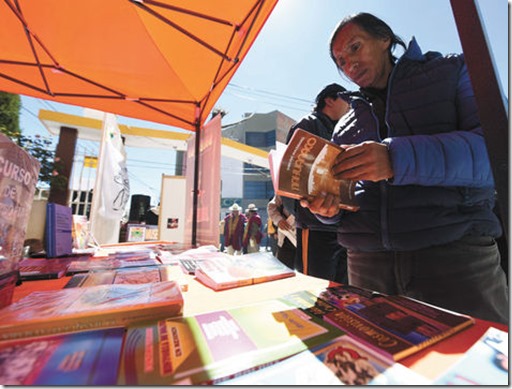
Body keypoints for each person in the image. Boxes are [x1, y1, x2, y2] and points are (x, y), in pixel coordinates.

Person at [302, 12, 508, 324]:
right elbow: (350, 195)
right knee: (375, 366)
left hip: (454, 257)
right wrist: (329, 210)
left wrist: (396, 159)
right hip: (365, 266)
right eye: (340, 61)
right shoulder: (346, 121)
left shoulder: (451, 71)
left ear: (385, 38)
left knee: (475, 366)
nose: (349, 65)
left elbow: (496, 154)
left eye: (354, 48)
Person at [285, 83, 350, 284]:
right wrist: (304, 213)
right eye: (346, 100)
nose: (350, 106)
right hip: (314, 224)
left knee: (340, 290)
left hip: (340, 225)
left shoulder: (341, 129)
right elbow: (292, 177)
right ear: (329, 100)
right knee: (313, 287)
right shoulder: (309, 124)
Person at [267, 194, 296, 269]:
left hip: (309, 237)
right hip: (287, 237)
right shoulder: (284, 188)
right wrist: (279, 220)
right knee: (284, 270)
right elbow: (272, 206)